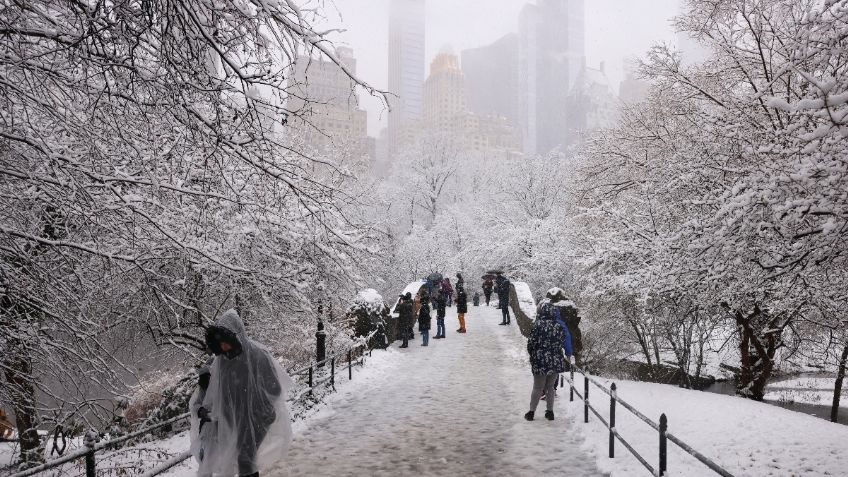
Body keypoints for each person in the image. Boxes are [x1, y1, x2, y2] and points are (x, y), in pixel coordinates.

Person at [190, 309, 293, 477]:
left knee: (245, 458)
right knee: (234, 457)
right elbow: (218, 390)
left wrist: (253, 406)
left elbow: (275, 389)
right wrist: (213, 409)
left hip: (258, 417)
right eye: (220, 344)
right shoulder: (223, 360)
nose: (223, 347)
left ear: (236, 336)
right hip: (233, 418)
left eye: (226, 342)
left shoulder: (258, 355)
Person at [524, 301, 571, 422]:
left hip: (540, 360)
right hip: (555, 360)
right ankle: (550, 412)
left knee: (538, 387)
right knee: (550, 387)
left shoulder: (537, 325)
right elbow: (562, 341)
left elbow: (531, 343)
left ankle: (531, 412)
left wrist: (533, 355)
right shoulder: (559, 326)